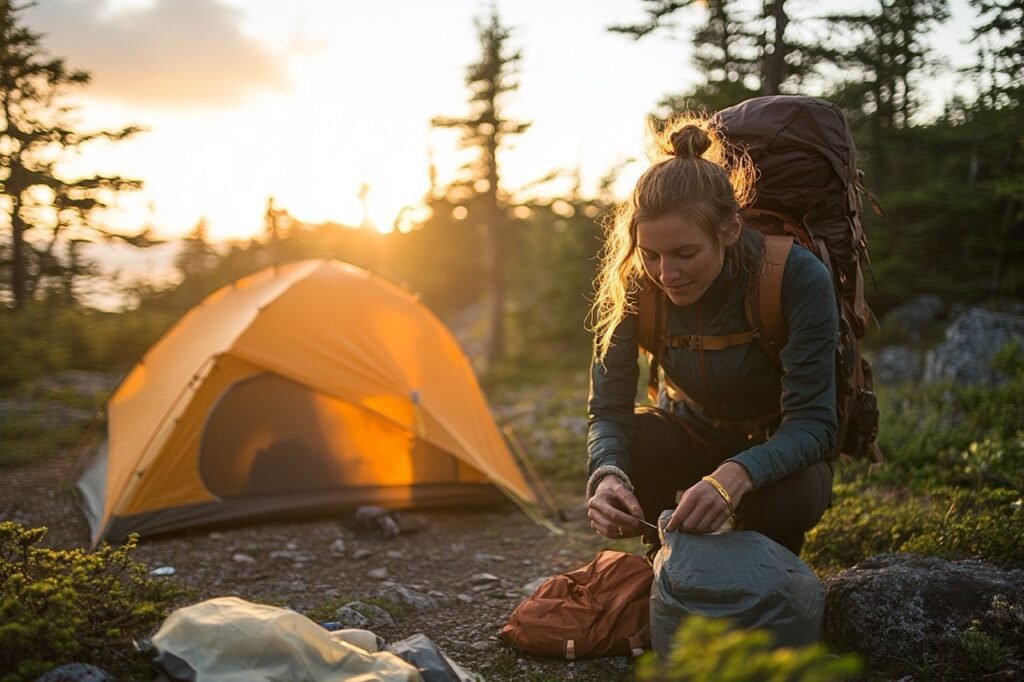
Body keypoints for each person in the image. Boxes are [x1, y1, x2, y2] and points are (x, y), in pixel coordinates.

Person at [584, 116, 837, 557]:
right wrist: (607, 475)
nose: (667, 274)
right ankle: (666, 567)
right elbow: (609, 408)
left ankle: (767, 580)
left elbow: (813, 424)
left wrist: (737, 474)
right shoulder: (632, 285)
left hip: (776, 451)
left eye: (686, 253)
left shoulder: (796, 278)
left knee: (784, 495)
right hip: (693, 434)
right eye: (651, 255)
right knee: (638, 439)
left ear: (730, 231)